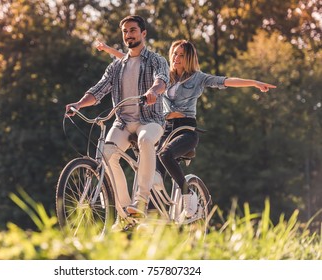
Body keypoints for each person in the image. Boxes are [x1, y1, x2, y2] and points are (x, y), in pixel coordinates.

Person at [96, 39, 276, 220]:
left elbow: (226, 81)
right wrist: (108, 49)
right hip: (164, 129)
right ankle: (148, 215)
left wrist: (254, 83)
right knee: (149, 174)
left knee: (164, 154)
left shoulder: (198, 78)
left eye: (181, 55)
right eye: (174, 53)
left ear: (189, 58)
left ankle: (187, 192)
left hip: (186, 130)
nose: (176, 58)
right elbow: (132, 62)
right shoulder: (164, 74)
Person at [65, 15, 170, 226]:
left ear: (143, 33)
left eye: (132, 30)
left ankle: (141, 201)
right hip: (122, 122)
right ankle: (125, 212)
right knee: (106, 154)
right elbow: (98, 90)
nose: (128, 35)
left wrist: (153, 92)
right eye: (125, 32)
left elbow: (162, 80)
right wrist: (78, 104)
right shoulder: (116, 67)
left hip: (150, 120)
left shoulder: (156, 60)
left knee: (146, 140)